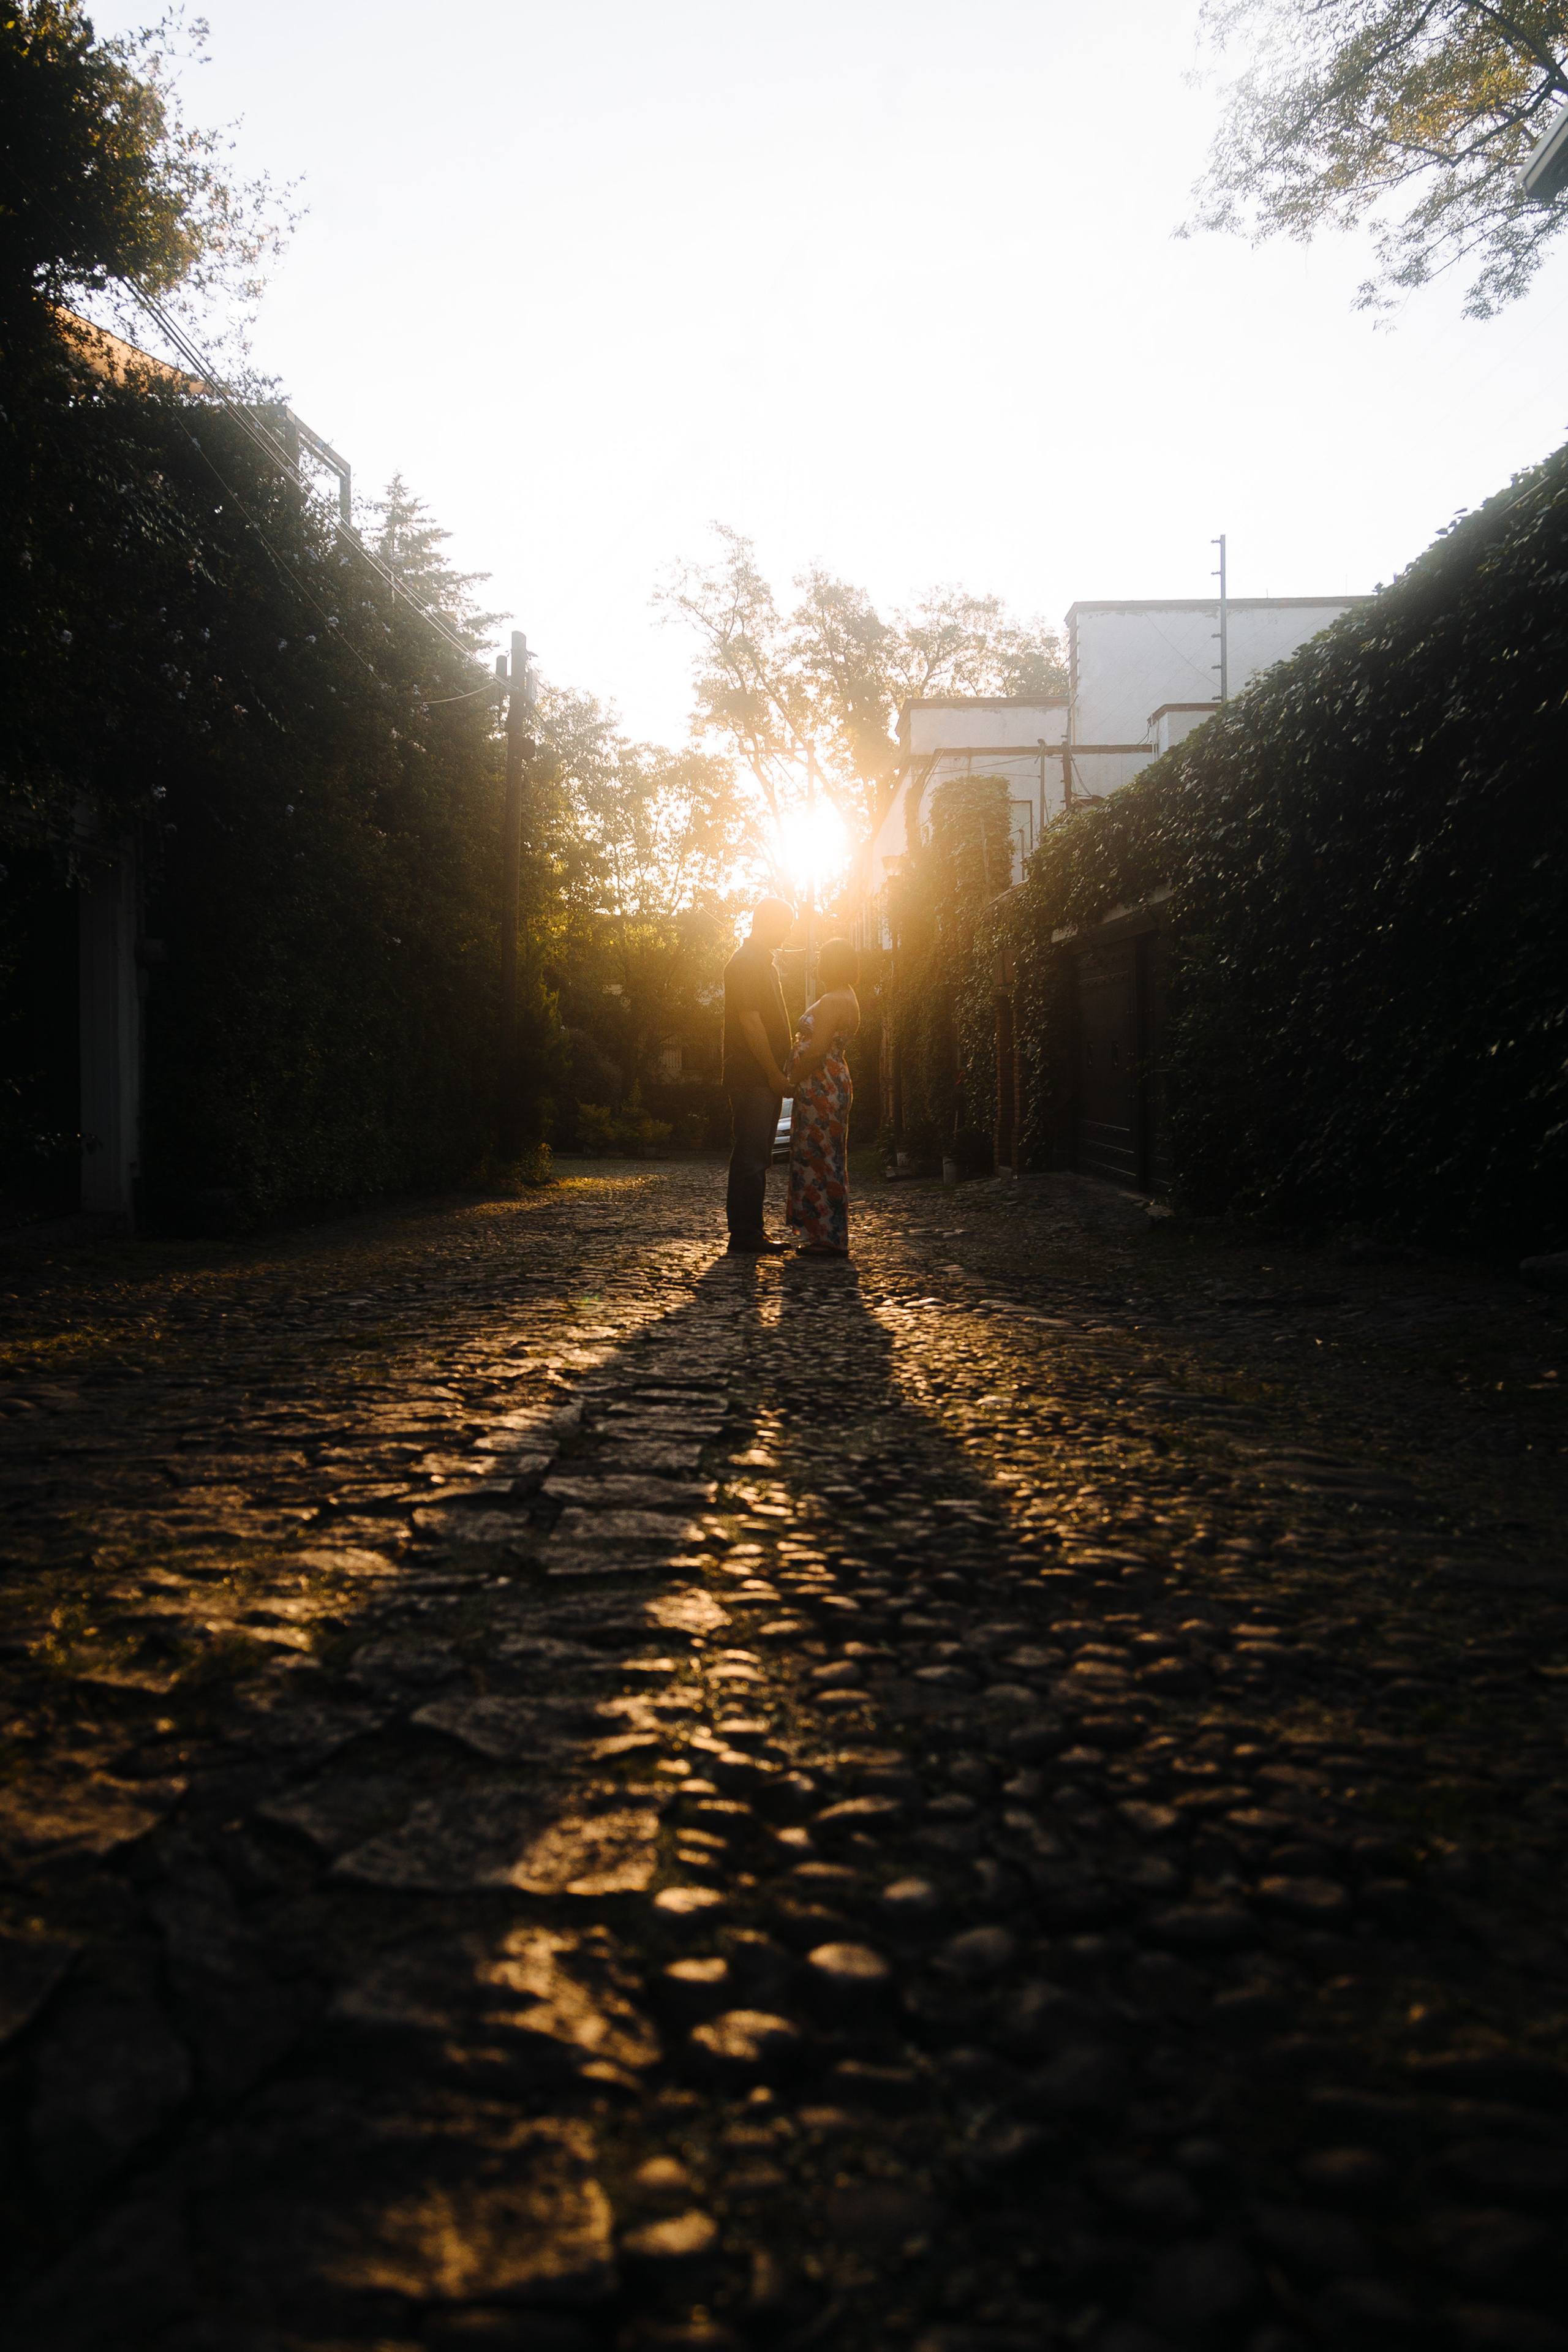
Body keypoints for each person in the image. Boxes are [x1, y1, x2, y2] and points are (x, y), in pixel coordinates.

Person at [721, 896, 795, 1255]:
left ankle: (752, 1231)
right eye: (787, 924)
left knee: (759, 1155)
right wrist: (772, 1073)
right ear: (768, 922)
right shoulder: (747, 963)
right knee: (752, 1155)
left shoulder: (762, 962)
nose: (789, 932)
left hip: (761, 1077)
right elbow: (750, 1023)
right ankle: (745, 1234)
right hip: (752, 1077)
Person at [784, 937, 860, 1256]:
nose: (816, 966)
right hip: (831, 1082)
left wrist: (790, 1079)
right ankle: (826, 1234)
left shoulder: (832, 1000)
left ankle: (827, 1237)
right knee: (827, 1155)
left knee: (820, 1156)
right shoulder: (849, 996)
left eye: (820, 960)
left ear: (830, 965)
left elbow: (816, 1051)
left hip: (821, 1085)